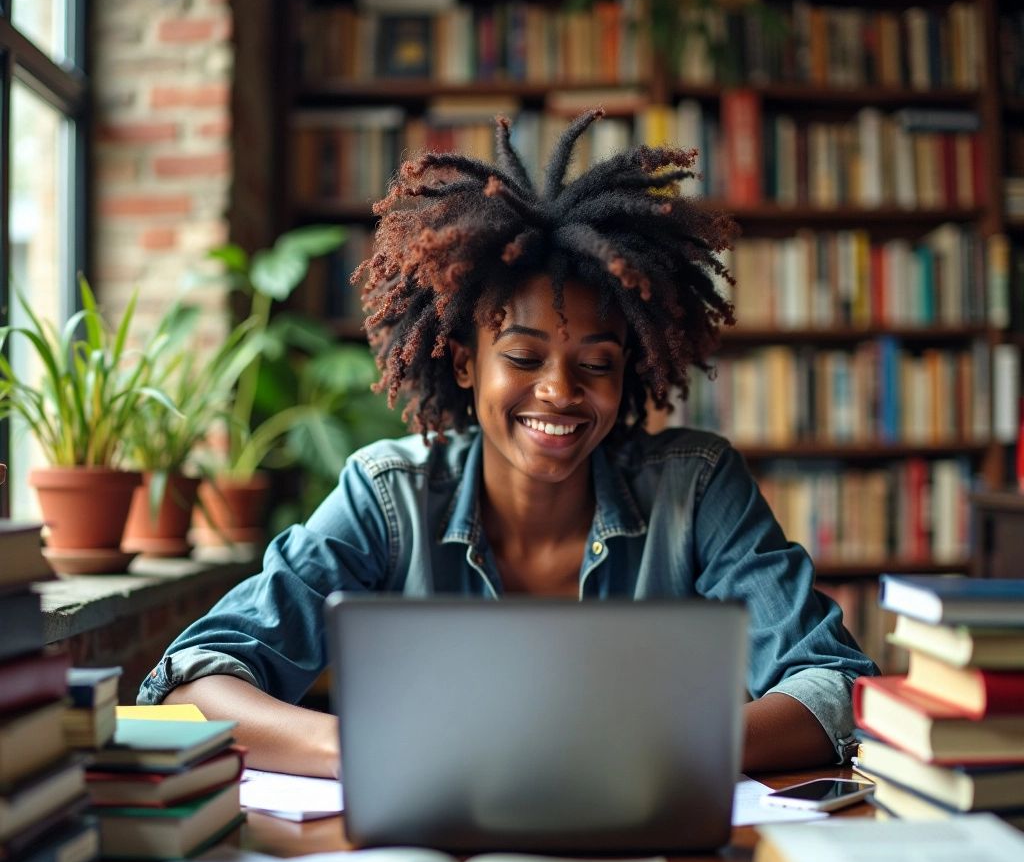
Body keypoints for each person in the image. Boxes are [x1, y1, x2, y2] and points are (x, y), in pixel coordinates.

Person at [139, 110, 878, 777]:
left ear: (631, 372)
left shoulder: (696, 488)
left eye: (596, 364)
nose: (560, 392)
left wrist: (649, 751)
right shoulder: (388, 497)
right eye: (523, 358)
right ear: (465, 362)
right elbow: (200, 683)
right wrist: (373, 752)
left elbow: (836, 684)